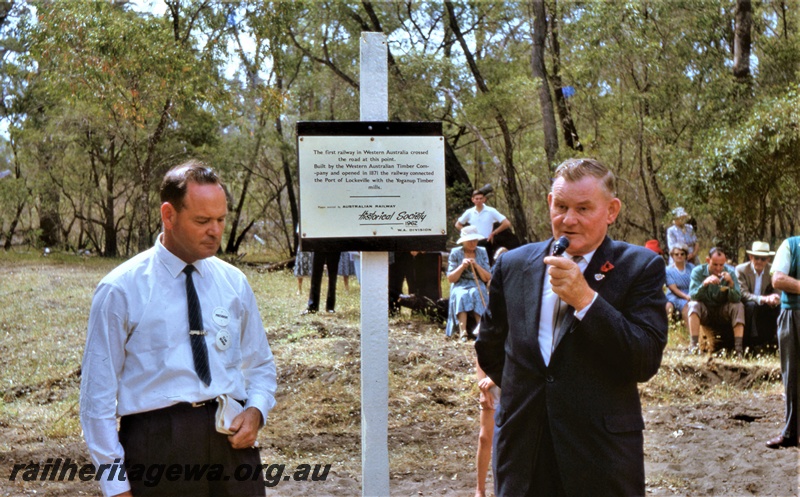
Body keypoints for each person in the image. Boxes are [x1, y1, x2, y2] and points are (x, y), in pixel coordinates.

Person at [80, 161, 277, 497]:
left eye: (220, 220)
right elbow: (96, 399)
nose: (215, 231)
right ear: (169, 216)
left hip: (231, 448)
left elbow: (260, 365)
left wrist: (256, 410)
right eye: (202, 221)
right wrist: (116, 486)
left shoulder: (234, 283)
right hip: (157, 448)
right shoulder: (121, 289)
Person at [475, 158, 668, 496]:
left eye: (583, 208)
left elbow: (644, 359)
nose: (569, 220)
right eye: (561, 206)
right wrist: (530, 396)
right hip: (523, 453)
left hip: (601, 455)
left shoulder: (640, 267)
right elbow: (491, 350)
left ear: (611, 211)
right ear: (550, 202)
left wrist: (586, 301)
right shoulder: (513, 264)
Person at [767, 236, 800, 448]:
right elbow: (778, 280)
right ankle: (790, 433)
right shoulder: (791, 245)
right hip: (793, 315)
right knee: (792, 375)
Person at [687, 247, 745, 355]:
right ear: (708, 260)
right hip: (706, 310)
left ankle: (739, 350)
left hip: (722, 311)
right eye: (715, 264)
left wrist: (731, 284)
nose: (718, 268)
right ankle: (694, 347)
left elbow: (737, 298)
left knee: (738, 306)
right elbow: (693, 296)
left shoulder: (730, 272)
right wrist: (704, 284)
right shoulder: (697, 272)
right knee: (693, 305)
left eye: (721, 265)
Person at [446, 226, 491, 341]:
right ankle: (463, 331)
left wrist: (476, 265)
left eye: (475, 240)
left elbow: (487, 277)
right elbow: (451, 278)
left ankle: (481, 329)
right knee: (462, 295)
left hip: (477, 283)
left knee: (476, 293)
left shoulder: (482, 251)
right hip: (460, 283)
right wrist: (462, 266)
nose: (473, 243)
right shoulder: (456, 253)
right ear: (464, 241)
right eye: (470, 240)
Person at [736, 241, 780, 348]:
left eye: (763, 259)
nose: (759, 261)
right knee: (751, 305)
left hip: (765, 305)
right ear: (751, 257)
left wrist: (775, 298)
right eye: (756, 258)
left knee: (780, 307)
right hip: (748, 304)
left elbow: (777, 290)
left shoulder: (773, 270)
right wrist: (763, 299)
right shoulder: (741, 270)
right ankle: (751, 343)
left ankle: (775, 341)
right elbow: (743, 294)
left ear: (768, 260)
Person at [455, 190, 511, 264]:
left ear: (484, 199)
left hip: (486, 241)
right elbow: (458, 224)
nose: (479, 200)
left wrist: (494, 233)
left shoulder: (491, 211)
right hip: (473, 242)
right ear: (473, 200)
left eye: (481, 198)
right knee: (473, 263)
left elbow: (506, 223)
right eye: (477, 199)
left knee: (486, 264)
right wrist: (466, 233)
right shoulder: (469, 212)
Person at [665, 243, 695, 328]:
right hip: (673, 295)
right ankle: (668, 330)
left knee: (687, 307)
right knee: (668, 307)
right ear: (672, 256)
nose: (679, 256)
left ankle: (690, 334)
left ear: (686, 255)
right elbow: (673, 289)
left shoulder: (692, 268)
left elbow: (695, 283)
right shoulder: (668, 270)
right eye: (676, 254)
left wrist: (690, 296)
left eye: (682, 254)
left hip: (689, 294)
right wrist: (686, 297)